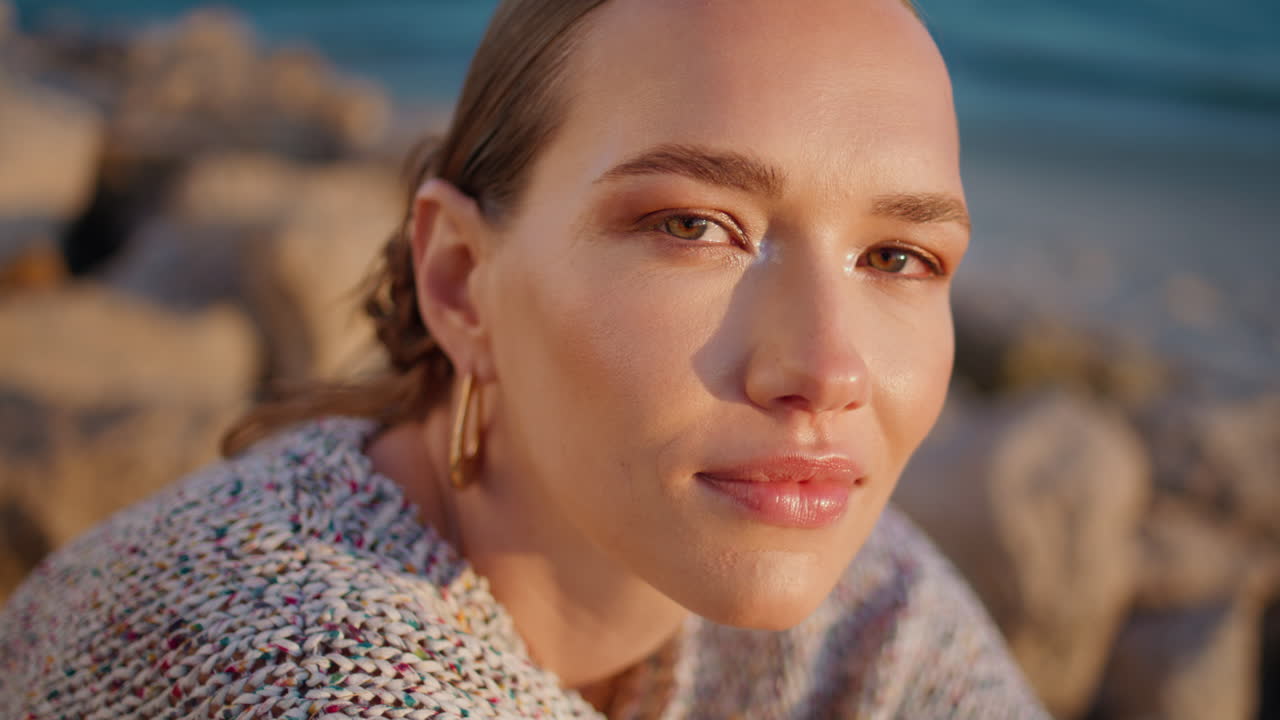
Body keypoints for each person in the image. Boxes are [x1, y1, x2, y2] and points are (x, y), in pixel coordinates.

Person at [0, 0, 1052, 717]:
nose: (828, 371)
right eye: (691, 227)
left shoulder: (867, 599)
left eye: (897, 255)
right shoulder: (298, 664)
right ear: (460, 279)